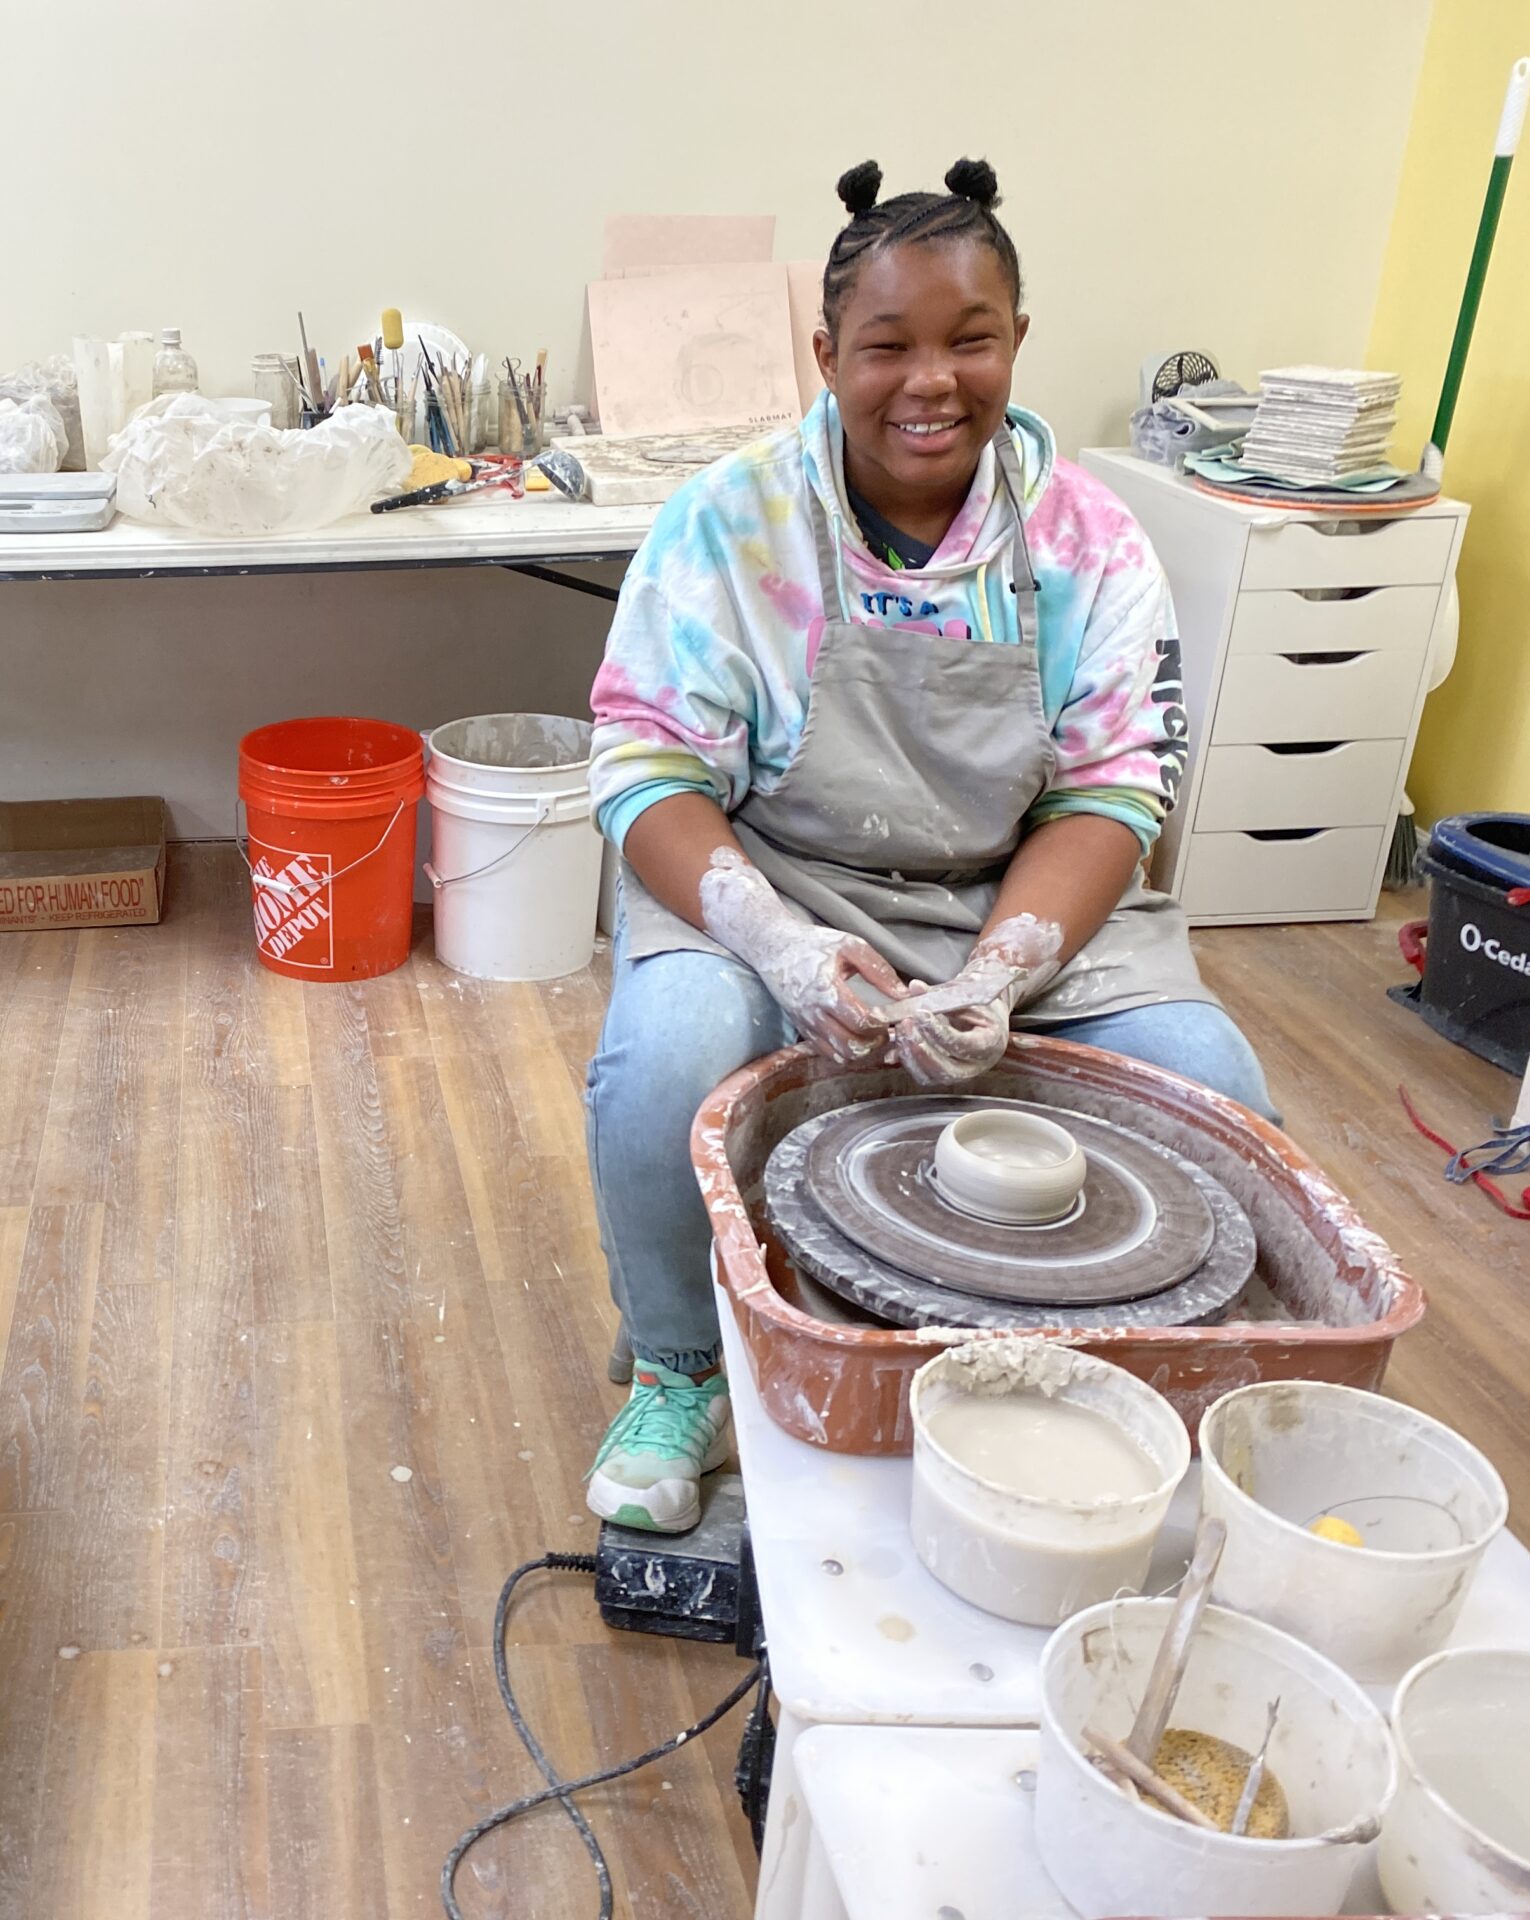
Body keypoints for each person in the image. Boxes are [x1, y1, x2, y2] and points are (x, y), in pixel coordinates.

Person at [582, 158, 1276, 1534]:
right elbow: (649, 770)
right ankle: (677, 1367)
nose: (931, 381)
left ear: (1018, 340)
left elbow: (1108, 797)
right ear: (826, 351)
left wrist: (1007, 968)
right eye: (888, 345)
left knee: (1217, 1088)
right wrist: (778, 941)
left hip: (1005, 887)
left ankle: (1111, 1379)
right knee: (664, 1054)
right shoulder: (731, 522)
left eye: (971, 340)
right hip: (771, 867)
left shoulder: (1090, 542)